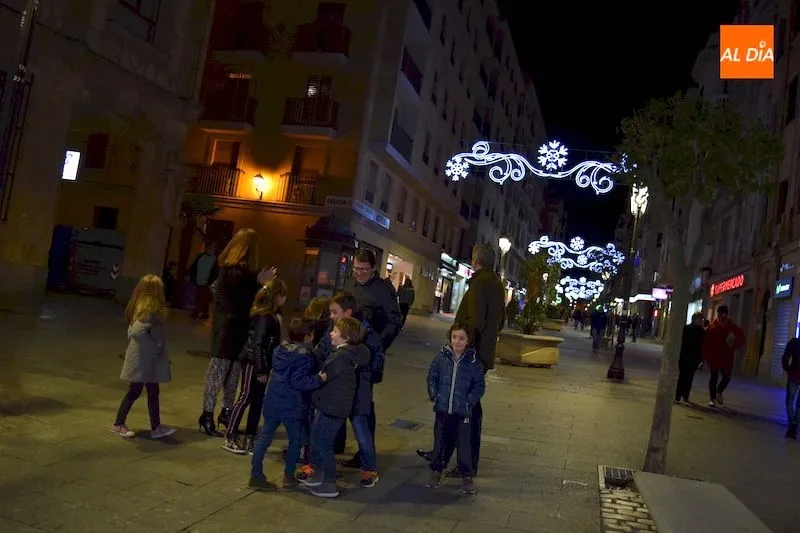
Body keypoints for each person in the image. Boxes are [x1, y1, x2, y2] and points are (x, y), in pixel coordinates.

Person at [418, 244, 504, 476]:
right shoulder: (496, 283)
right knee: (465, 407)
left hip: (470, 356)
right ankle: (443, 455)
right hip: (482, 353)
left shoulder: (481, 282)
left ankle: (462, 463)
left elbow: (474, 321)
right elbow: (500, 321)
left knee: (464, 410)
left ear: (476, 260)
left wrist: (463, 348)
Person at [198, 229, 275, 437]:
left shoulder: (236, 270)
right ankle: (207, 415)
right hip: (227, 329)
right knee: (218, 373)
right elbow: (240, 293)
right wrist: (258, 280)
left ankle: (226, 412)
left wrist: (258, 280)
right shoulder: (233, 269)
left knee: (232, 375)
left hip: (236, 327)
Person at [338, 249, 401, 467]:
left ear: (373, 268)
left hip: (366, 356)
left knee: (362, 406)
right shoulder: (350, 284)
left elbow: (394, 323)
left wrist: (376, 346)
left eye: (364, 269)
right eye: (356, 269)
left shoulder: (383, 290)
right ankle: (338, 443)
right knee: (341, 398)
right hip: (344, 353)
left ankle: (365, 452)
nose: (359, 273)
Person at [249, 319, 326, 490]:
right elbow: (299, 381)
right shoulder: (304, 356)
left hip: (273, 401)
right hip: (292, 405)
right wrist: (318, 379)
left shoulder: (279, 350)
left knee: (263, 440)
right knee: (295, 440)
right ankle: (288, 476)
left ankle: (255, 475)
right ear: (308, 336)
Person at [300, 317, 370, 499]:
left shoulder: (339, 357)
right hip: (332, 406)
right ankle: (319, 474)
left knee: (323, 444)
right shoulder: (348, 354)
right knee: (318, 440)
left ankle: (329, 482)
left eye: (335, 331)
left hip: (332, 407)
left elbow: (322, 376)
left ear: (345, 337)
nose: (331, 333)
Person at [222, 279, 287, 454]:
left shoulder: (270, 315)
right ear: (276, 297)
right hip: (254, 362)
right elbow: (258, 345)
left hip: (262, 363)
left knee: (257, 401)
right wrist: (260, 369)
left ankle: (250, 436)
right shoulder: (264, 317)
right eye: (282, 296)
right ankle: (231, 435)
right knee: (245, 397)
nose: (285, 299)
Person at [111, 274, 176, 440]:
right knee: (136, 391)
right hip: (144, 360)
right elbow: (136, 331)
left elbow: (131, 331)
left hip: (146, 360)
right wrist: (155, 347)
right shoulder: (149, 311)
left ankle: (156, 427)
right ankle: (119, 424)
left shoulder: (141, 307)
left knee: (152, 391)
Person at [425, 323, 485, 495]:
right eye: (454, 337)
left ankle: (467, 475)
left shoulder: (474, 363)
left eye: (461, 338)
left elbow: (479, 386)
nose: (457, 342)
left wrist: (469, 402)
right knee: (440, 442)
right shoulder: (441, 358)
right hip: (443, 410)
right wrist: (434, 395)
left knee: (464, 445)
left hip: (463, 412)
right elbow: (432, 376)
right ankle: (436, 470)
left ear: (468, 341)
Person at [702, 306, 745, 408]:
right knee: (714, 378)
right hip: (714, 357)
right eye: (720, 313)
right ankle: (712, 398)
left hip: (726, 358)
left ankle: (719, 391)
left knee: (727, 377)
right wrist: (704, 357)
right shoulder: (712, 327)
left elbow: (741, 340)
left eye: (724, 314)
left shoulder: (732, 327)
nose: (722, 316)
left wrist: (734, 341)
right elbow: (706, 343)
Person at [675, 312, 705, 403]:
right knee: (682, 376)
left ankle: (685, 395)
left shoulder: (702, 331)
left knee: (689, 377)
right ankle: (678, 395)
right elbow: (682, 341)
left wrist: (701, 359)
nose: (700, 321)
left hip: (694, 357)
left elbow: (702, 345)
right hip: (685, 355)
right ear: (694, 319)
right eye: (699, 319)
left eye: (701, 320)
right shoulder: (687, 329)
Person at [189, 244, 219, 319]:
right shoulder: (200, 256)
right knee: (202, 298)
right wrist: (192, 277)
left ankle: (196, 313)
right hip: (198, 280)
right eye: (210, 248)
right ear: (207, 248)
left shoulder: (214, 259)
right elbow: (194, 267)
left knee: (200, 298)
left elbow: (215, 273)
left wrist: (209, 281)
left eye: (213, 250)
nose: (211, 251)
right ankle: (205, 313)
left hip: (206, 282)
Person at [781, 337, 800, 439]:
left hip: (794, 375)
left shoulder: (794, 342)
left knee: (789, 401)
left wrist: (787, 368)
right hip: (794, 375)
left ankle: (792, 426)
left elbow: (786, 356)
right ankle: (795, 426)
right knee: (799, 405)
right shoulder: (794, 342)